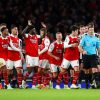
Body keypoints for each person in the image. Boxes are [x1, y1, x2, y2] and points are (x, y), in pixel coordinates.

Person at [56, 25, 79, 89]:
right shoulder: (68, 37)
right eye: (77, 31)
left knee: (77, 70)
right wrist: (72, 45)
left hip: (75, 57)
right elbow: (65, 45)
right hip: (67, 57)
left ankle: (73, 84)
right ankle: (57, 85)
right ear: (73, 31)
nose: (78, 32)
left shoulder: (78, 37)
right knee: (62, 71)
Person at [79, 24, 100, 88]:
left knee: (94, 69)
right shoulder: (84, 38)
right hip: (86, 56)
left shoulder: (96, 39)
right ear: (88, 30)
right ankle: (87, 84)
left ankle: (96, 83)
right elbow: (79, 47)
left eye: (92, 30)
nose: (91, 31)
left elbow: (98, 48)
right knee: (86, 71)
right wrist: (83, 51)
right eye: (90, 30)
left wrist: (99, 54)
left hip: (93, 56)